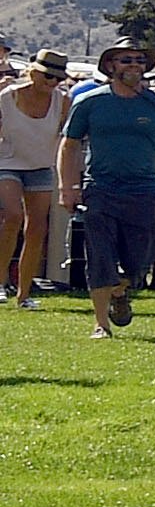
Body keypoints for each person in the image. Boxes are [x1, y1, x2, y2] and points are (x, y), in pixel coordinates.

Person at [59, 45, 155, 337]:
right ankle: (100, 324)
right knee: (99, 255)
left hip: (144, 190)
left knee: (139, 260)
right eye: (126, 60)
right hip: (99, 189)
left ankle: (120, 290)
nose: (134, 65)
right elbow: (69, 145)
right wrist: (67, 187)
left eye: (139, 60)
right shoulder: (90, 102)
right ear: (110, 65)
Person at [0, 52, 72, 312]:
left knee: (37, 228)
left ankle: (24, 293)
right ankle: (0, 282)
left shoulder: (63, 101)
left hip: (41, 167)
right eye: (48, 75)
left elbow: (67, 139)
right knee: (11, 216)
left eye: (58, 77)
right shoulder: (8, 97)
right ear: (33, 72)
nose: (52, 82)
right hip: (7, 163)